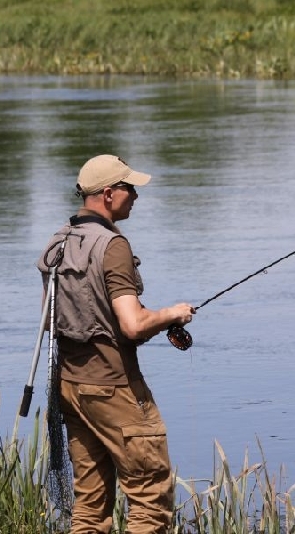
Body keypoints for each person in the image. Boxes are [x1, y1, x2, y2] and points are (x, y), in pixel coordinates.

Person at [37, 154, 195, 534]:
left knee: (90, 505)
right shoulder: (113, 245)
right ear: (108, 193)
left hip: (70, 386)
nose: (136, 196)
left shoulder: (59, 240)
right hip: (115, 388)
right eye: (130, 188)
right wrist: (173, 313)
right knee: (150, 498)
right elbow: (132, 324)